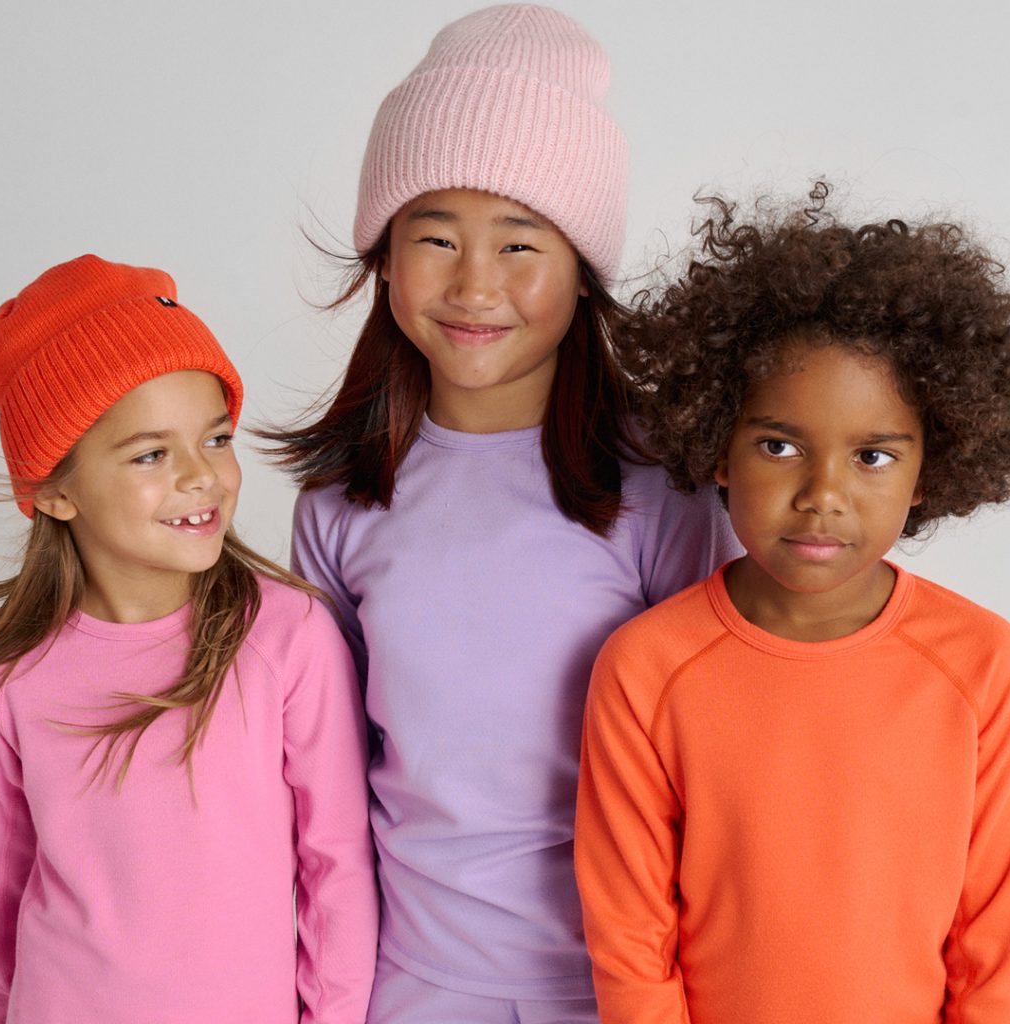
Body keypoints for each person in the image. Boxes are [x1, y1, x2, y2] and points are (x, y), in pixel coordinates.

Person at [267, 5, 739, 1022]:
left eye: (520, 242)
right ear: (383, 257)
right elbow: (322, 773)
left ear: (584, 273)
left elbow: (714, 755)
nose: (475, 284)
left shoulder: (661, 488)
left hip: (619, 986)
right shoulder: (340, 497)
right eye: (435, 236)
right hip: (406, 983)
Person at [574, 186, 1010, 1024]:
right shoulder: (646, 668)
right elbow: (631, 941)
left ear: (929, 469)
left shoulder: (982, 665)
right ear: (719, 448)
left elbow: (995, 941)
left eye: (872, 456)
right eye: (779, 446)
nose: (822, 495)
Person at [0, 255, 377, 1024]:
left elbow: (336, 867)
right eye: (151, 454)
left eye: (217, 438)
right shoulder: (11, 674)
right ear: (55, 491)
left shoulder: (286, 638)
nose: (202, 476)